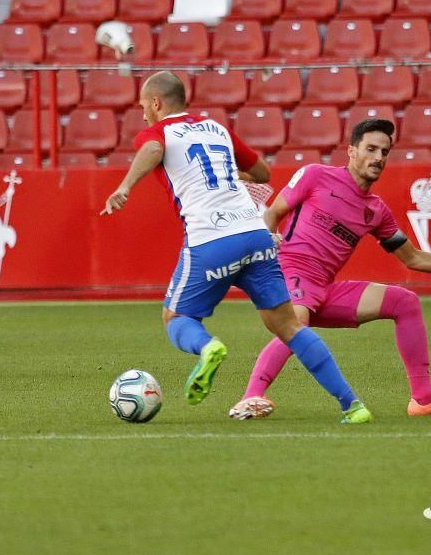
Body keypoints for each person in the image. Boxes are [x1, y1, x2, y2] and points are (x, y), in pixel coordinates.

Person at [102, 71, 373, 424]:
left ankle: (207, 347)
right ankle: (353, 405)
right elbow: (262, 173)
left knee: (176, 317)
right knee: (289, 326)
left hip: (210, 238)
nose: (142, 114)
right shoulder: (217, 129)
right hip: (256, 234)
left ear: (156, 103)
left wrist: (125, 186)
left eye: (143, 106)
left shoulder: (158, 132)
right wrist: (229, 173)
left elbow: (153, 149)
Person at [229, 118, 431, 420]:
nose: (378, 158)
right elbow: (272, 214)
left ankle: (425, 400)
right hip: (292, 271)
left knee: (405, 302)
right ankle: (251, 397)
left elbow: (412, 258)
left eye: (384, 152)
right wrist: (265, 252)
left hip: (323, 287)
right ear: (351, 151)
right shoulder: (315, 175)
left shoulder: (377, 211)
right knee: (297, 321)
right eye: (371, 149)